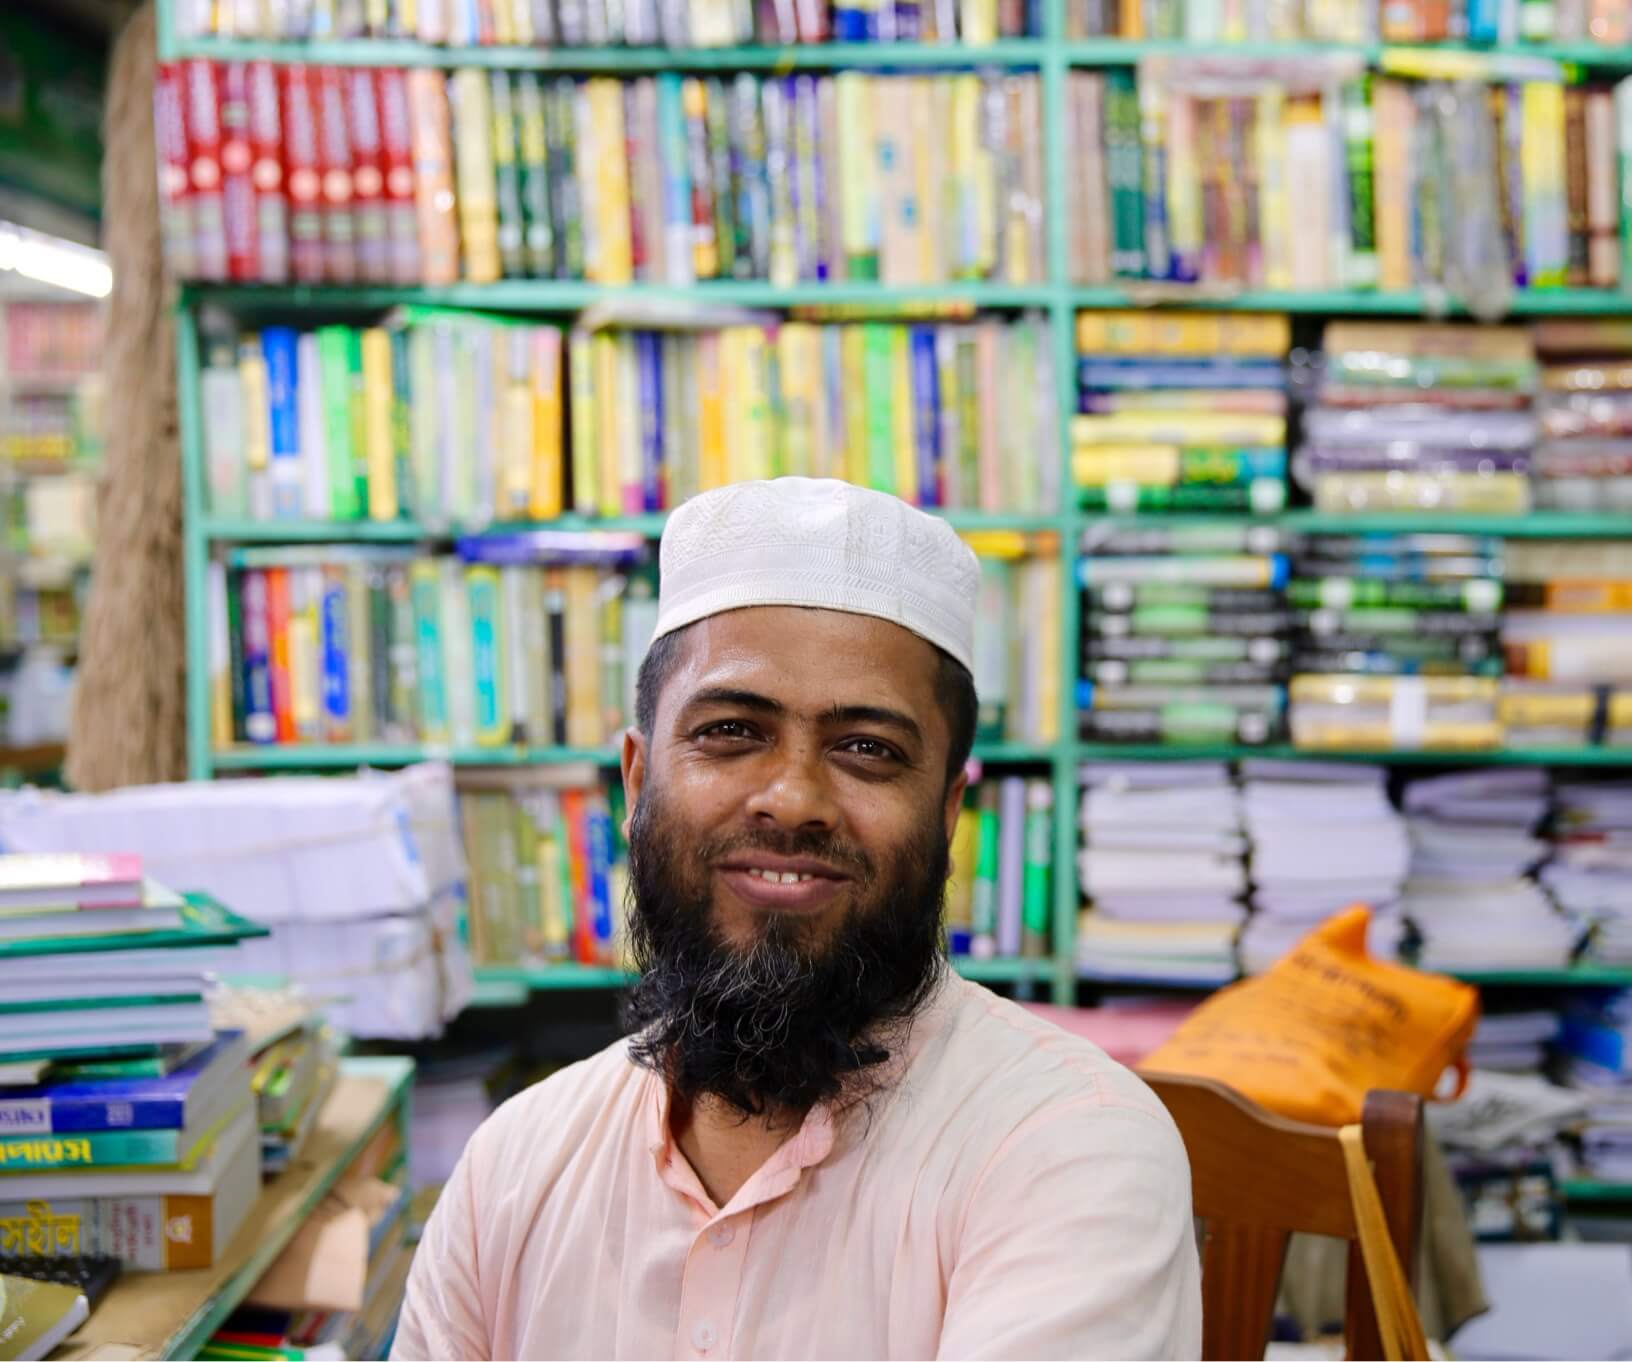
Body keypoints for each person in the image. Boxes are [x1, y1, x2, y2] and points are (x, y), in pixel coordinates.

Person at [394, 478, 1201, 1360]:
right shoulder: (514, 1167)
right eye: (732, 731)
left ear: (945, 812)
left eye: (867, 749)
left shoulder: (1071, 1149)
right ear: (635, 782)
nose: (793, 801)